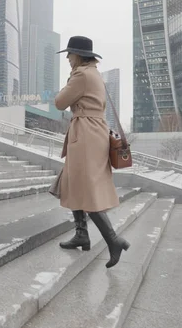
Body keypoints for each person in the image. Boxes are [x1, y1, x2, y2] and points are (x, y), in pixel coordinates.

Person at [53, 36, 129, 269]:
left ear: (78, 55)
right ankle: (81, 234)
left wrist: (68, 82)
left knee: (86, 188)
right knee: (75, 183)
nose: (67, 58)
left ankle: (113, 240)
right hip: (92, 133)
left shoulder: (81, 75)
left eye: (69, 54)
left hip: (86, 135)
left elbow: (59, 102)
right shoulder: (94, 74)